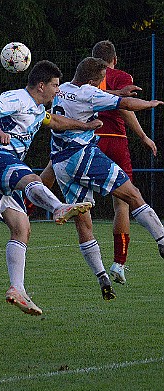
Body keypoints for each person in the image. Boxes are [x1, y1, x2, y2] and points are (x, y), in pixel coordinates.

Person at [0, 60, 104, 316]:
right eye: (54, 85)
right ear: (41, 85)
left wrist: (85, 126)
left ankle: (17, 288)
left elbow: (54, 121)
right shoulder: (19, 98)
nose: (57, 90)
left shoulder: (35, 109)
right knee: (32, 177)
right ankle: (58, 207)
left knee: (21, 227)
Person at [49, 57, 164, 299]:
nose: (102, 84)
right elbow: (125, 104)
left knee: (83, 219)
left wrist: (117, 91)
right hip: (82, 156)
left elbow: (103, 94)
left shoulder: (61, 90)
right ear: (91, 81)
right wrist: (149, 104)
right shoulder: (90, 94)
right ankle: (162, 239)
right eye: (101, 80)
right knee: (131, 195)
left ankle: (102, 277)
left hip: (60, 164)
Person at [91, 40, 158, 285]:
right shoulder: (121, 76)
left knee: (83, 199)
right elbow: (125, 108)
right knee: (122, 204)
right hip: (116, 141)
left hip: (91, 139)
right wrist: (143, 136)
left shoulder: (85, 78)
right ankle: (118, 263)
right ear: (114, 60)